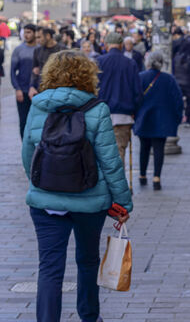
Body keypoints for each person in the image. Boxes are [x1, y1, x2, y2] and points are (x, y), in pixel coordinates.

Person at [21, 50, 132, 322]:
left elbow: (27, 153)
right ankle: (89, 317)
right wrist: (123, 202)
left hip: (46, 202)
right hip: (89, 200)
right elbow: (110, 162)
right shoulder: (97, 108)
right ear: (87, 75)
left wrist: (40, 183)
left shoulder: (38, 105)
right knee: (87, 261)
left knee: (49, 268)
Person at [133, 52, 183, 190]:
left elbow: (135, 98)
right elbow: (177, 100)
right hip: (163, 120)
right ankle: (156, 178)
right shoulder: (169, 79)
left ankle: (142, 175)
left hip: (144, 118)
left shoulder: (140, 77)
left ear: (148, 62)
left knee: (144, 147)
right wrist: (177, 118)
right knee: (158, 148)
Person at [97, 32, 142, 165]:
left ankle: (105, 184)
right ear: (121, 45)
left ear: (106, 45)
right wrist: (135, 112)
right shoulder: (130, 63)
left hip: (101, 114)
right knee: (119, 152)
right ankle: (117, 185)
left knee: (102, 153)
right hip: (124, 115)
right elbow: (137, 91)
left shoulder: (99, 62)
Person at [10, 23, 37, 138]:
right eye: (25, 32)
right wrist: (17, 89)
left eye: (29, 32)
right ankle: (25, 148)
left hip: (37, 92)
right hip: (23, 91)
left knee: (36, 122)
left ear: (35, 33)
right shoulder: (18, 50)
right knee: (23, 122)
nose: (26, 35)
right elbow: (12, 71)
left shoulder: (40, 50)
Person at [172, 28, 190, 127]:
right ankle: (187, 119)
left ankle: (179, 118)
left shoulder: (175, 59)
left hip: (178, 82)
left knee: (178, 101)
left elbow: (173, 70)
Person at [28, 28, 62, 100]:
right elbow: (34, 70)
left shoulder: (63, 50)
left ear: (48, 36)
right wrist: (31, 87)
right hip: (41, 91)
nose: (37, 40)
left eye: (39, 37)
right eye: (36, 37)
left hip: (58, 92)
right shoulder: (37, 50)